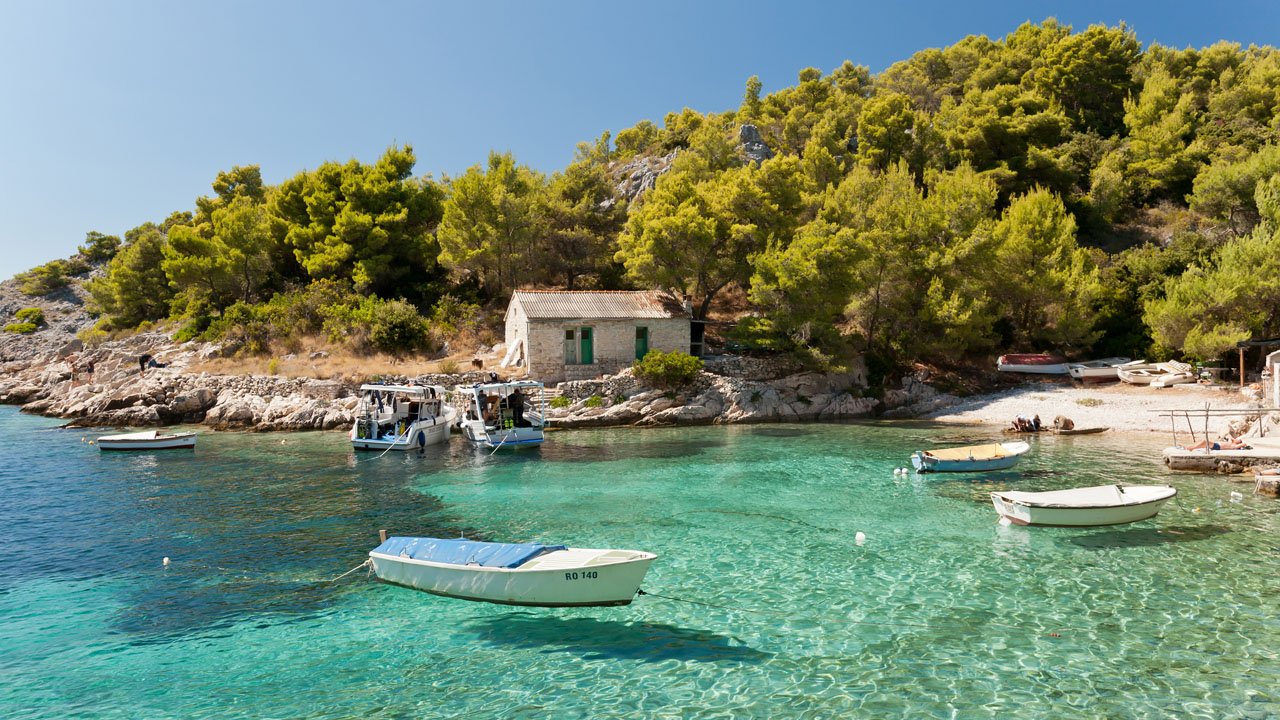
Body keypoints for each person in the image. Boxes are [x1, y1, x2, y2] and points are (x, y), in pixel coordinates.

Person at [1181, 436, 1250, 451]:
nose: (1237, 439)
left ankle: (1191, 448)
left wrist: (1241, 443)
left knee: (1204, 441)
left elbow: (1244, 444)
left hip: (1217, 446)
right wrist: (1234, 439)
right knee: (1202, 443)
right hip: (1216, 445)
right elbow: (1229, 436)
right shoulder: (1231, 442)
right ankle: (1190, 447)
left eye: (1239, 440)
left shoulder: (1234, 445)